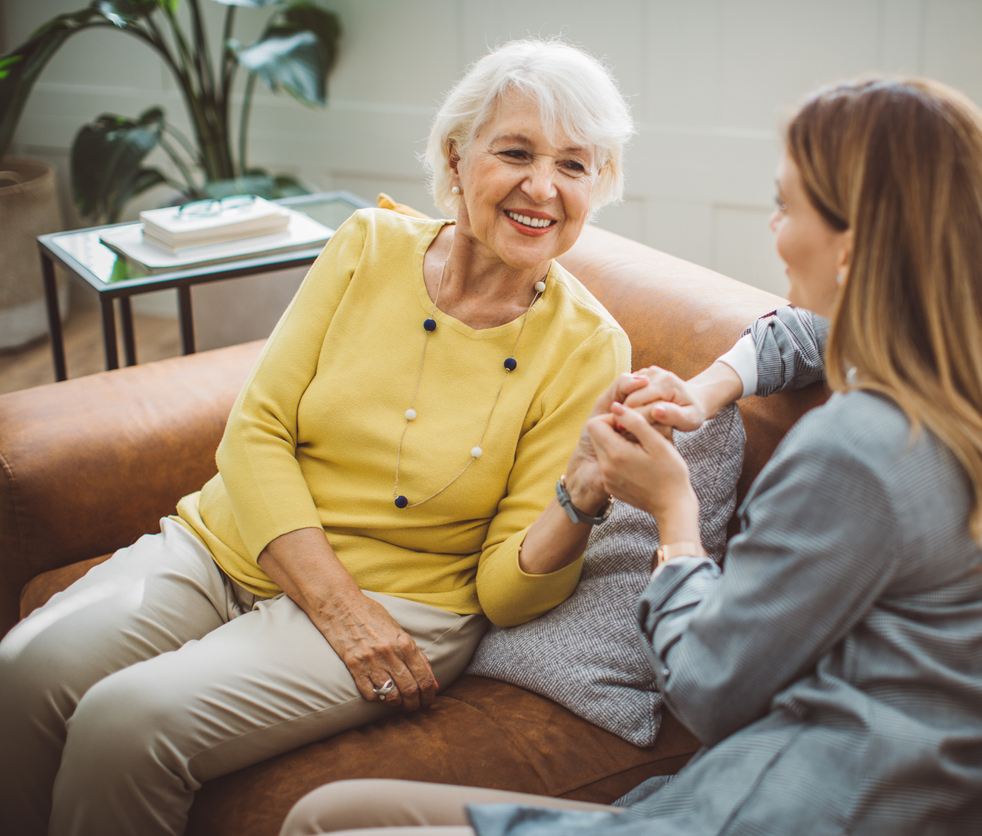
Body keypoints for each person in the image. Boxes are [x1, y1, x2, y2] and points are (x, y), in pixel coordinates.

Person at [277, 76, 982, 836]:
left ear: (856, 247)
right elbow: (811, 334)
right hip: (834, 792)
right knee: (330, 812)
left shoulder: (858, 450)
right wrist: (712, 387)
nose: (774, 231)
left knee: (328, 824)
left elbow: (711, 691)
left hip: (777, 809)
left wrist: (673, 511)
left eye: (788, 208)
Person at [0, 38, 634, 836]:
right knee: (25, 669)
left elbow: (506, 594)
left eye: (575, 166)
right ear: (457, 156)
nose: (541, 187)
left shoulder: (588, 346)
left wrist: (578, 500)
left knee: (127, 726)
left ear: (598, 185)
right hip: (235, 544)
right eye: (515, 151)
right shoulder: (368, 244)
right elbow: (256, 428)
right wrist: (333, 604)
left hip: (401, 601)